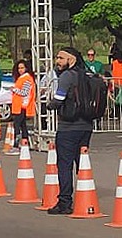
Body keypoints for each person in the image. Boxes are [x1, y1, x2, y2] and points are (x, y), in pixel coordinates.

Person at [46, 47, 93, 215]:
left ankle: (65, 202)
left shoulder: (67, 76)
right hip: (86, 126)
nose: (57, 61)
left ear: (71, 59)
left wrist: (49, 104)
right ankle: (86, 198)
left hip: (68, 128)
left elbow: (59, 99)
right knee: (82, 164)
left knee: (64, 165)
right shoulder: (85, 75)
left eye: (60, 58)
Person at [7, 59, 36, 155]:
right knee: (22, 126)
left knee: (17, 126)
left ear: (26, 68)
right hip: (20, 106)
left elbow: (25, 92)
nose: (20, 70)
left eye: (22, 68)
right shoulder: (23, 78)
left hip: (22, 106)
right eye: (19, 68)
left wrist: (14, 90)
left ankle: (16, 146)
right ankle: (25, 143)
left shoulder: (27, 78)